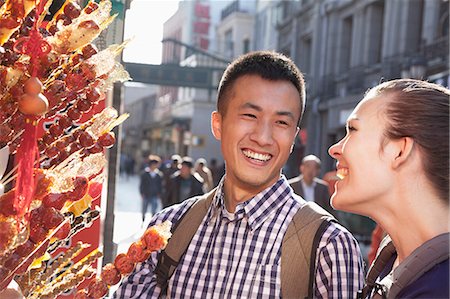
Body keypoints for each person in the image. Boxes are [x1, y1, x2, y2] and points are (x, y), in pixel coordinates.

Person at [114, 51, 364, 298]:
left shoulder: (329, 247)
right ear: (218, 124)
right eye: (250, 115)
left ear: (293, 138)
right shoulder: (169, 228)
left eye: (281, 123)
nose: (263, 137)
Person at [328, 79, 449, 298]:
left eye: (352, 130)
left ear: (400, 151)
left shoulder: (440, 287)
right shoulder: (393, 266)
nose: (334, 149)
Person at [139, 155, 163, 222]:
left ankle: (153, 221)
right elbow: (142, 184)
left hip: (155, 194)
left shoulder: (159, 175)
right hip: (146, 194)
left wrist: (159, 193)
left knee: (154, 210)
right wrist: (142, 193)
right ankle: (143, 220)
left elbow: (160, 185)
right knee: (144, 209)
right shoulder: (145, 174)